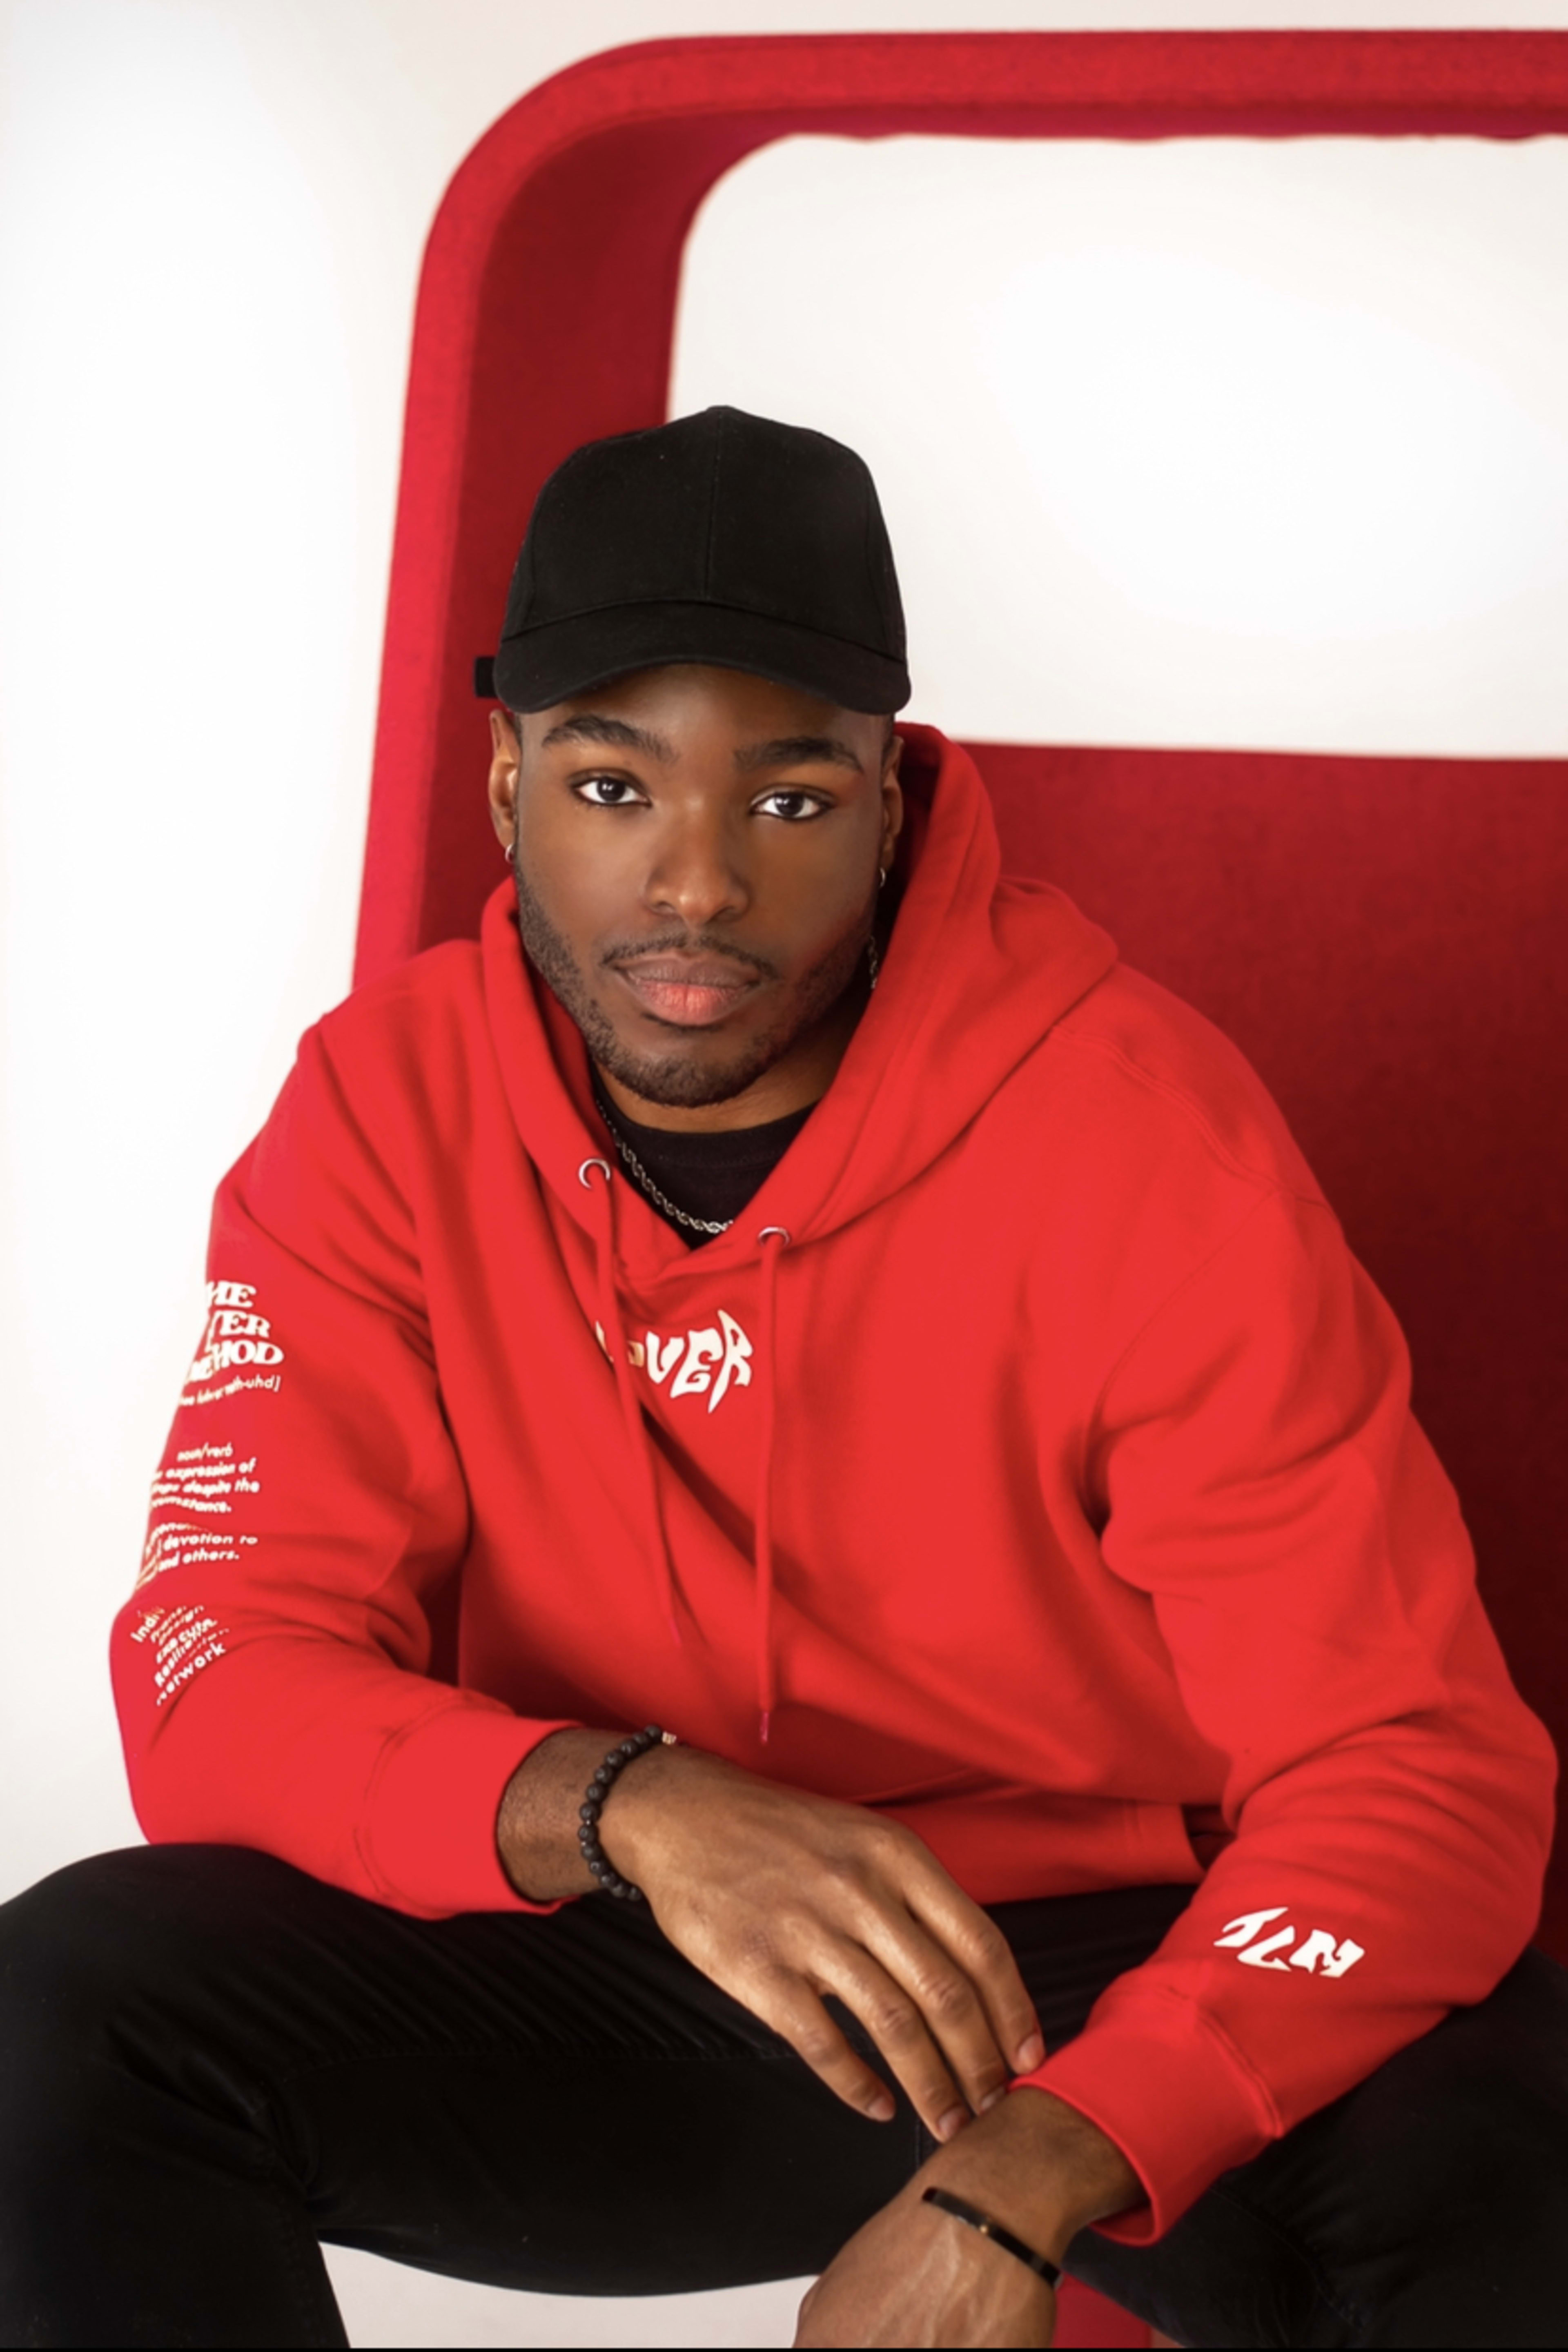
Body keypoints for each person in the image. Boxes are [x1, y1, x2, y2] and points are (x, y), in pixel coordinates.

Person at [0, 406, 1562, 2352]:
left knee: (1511, 2145)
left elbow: (1416, 1776)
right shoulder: (379, 1109)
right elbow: (221, 1661)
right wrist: (624, 1806)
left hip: (1086, 1967)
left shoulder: (1145, 1145)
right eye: (611, 784)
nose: (700, 886)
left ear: (895, 802)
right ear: (503, 786)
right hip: (632, 1940)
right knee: (58, 2015)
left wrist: (1040, 2167)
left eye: (792, 800)